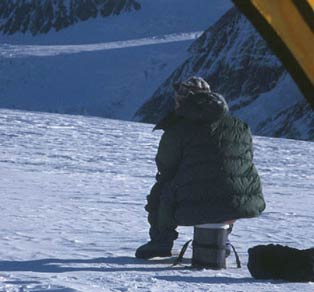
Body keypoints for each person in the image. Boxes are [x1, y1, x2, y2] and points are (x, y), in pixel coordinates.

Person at [135, 76, 266, 259]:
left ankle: (161, 242)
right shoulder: (239, 125)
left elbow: (166, 166)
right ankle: (222, 240)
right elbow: (244, 161)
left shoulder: (178, 128)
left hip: (194, 198)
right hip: (240, 201)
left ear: (182, 101)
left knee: (162, 191)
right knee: (232, 185)